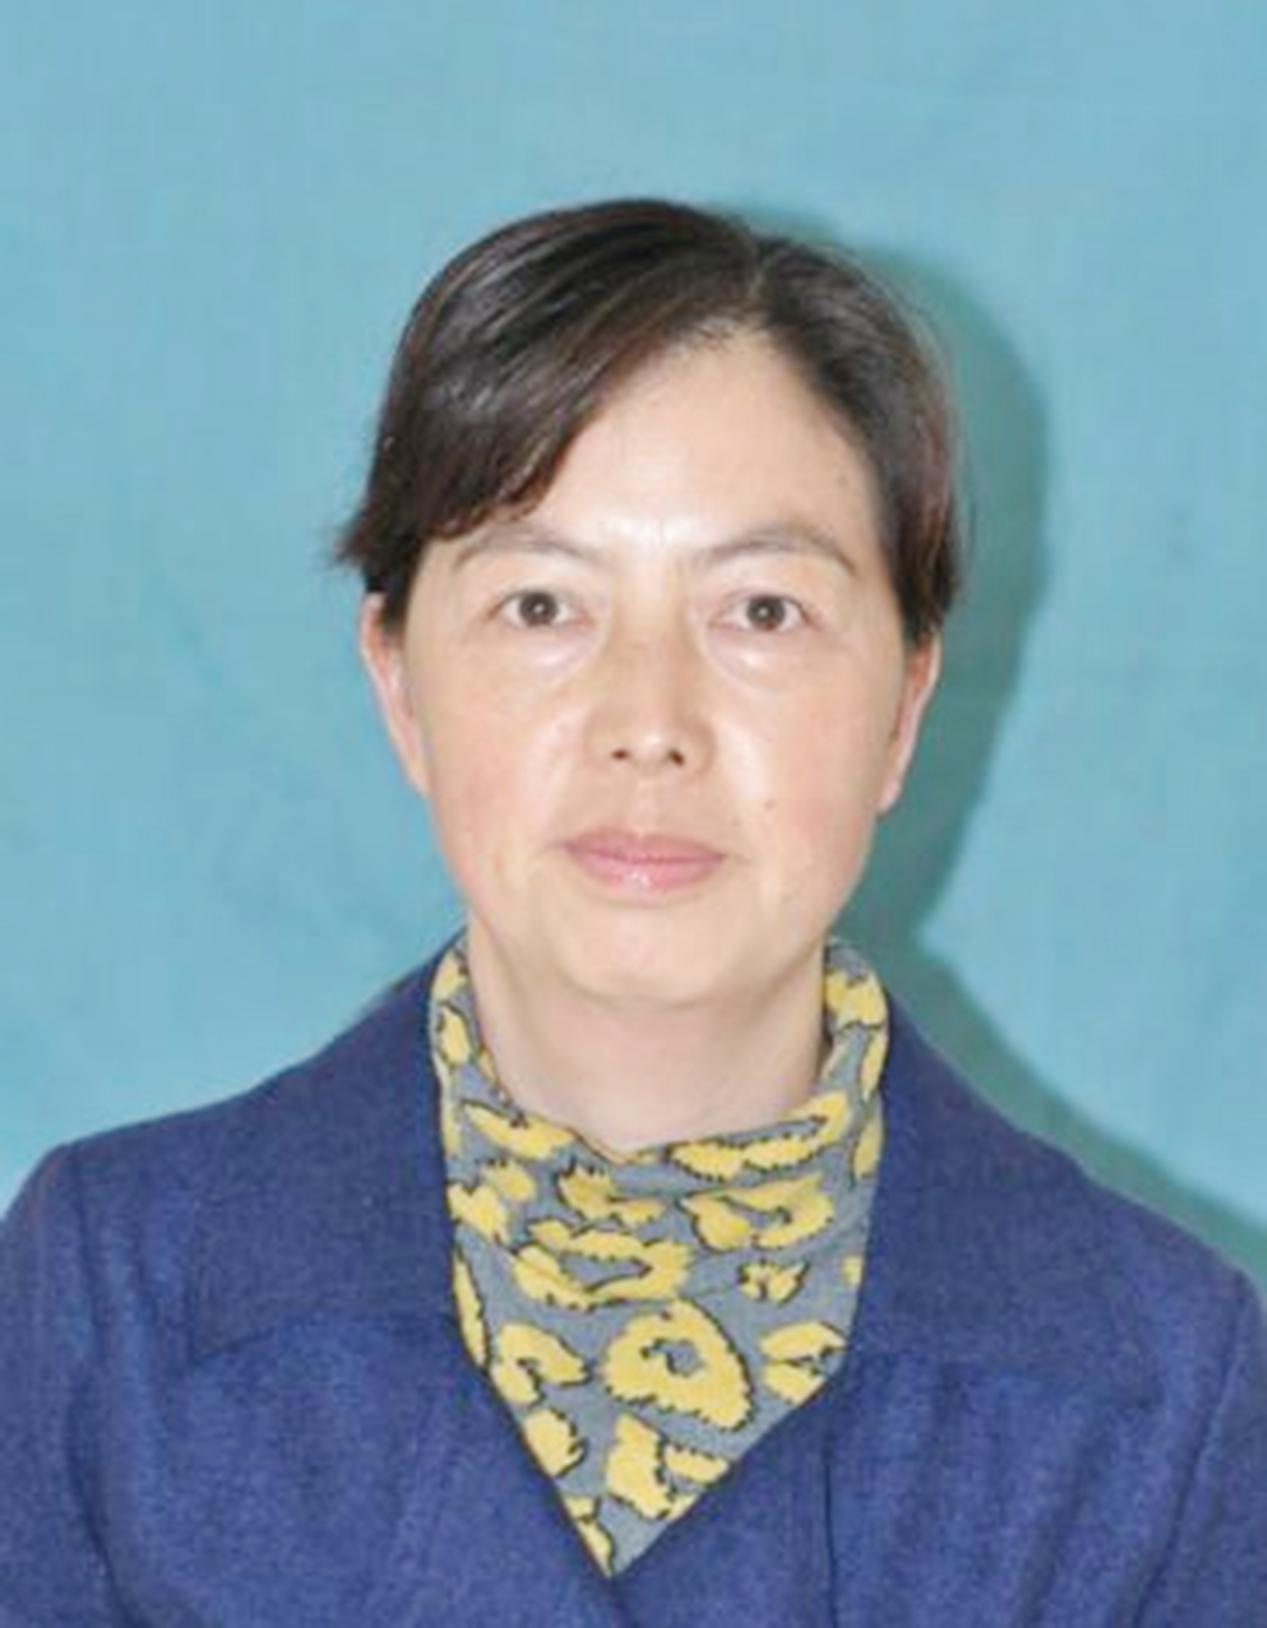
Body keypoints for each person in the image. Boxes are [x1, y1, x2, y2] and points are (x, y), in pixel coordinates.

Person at [1, 199, 1263, 1626]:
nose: (649, 724)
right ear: (400, 684)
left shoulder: (1172, 1389)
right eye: (543, 607)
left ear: (905, 706)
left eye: (762, 613)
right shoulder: (107, 1296)